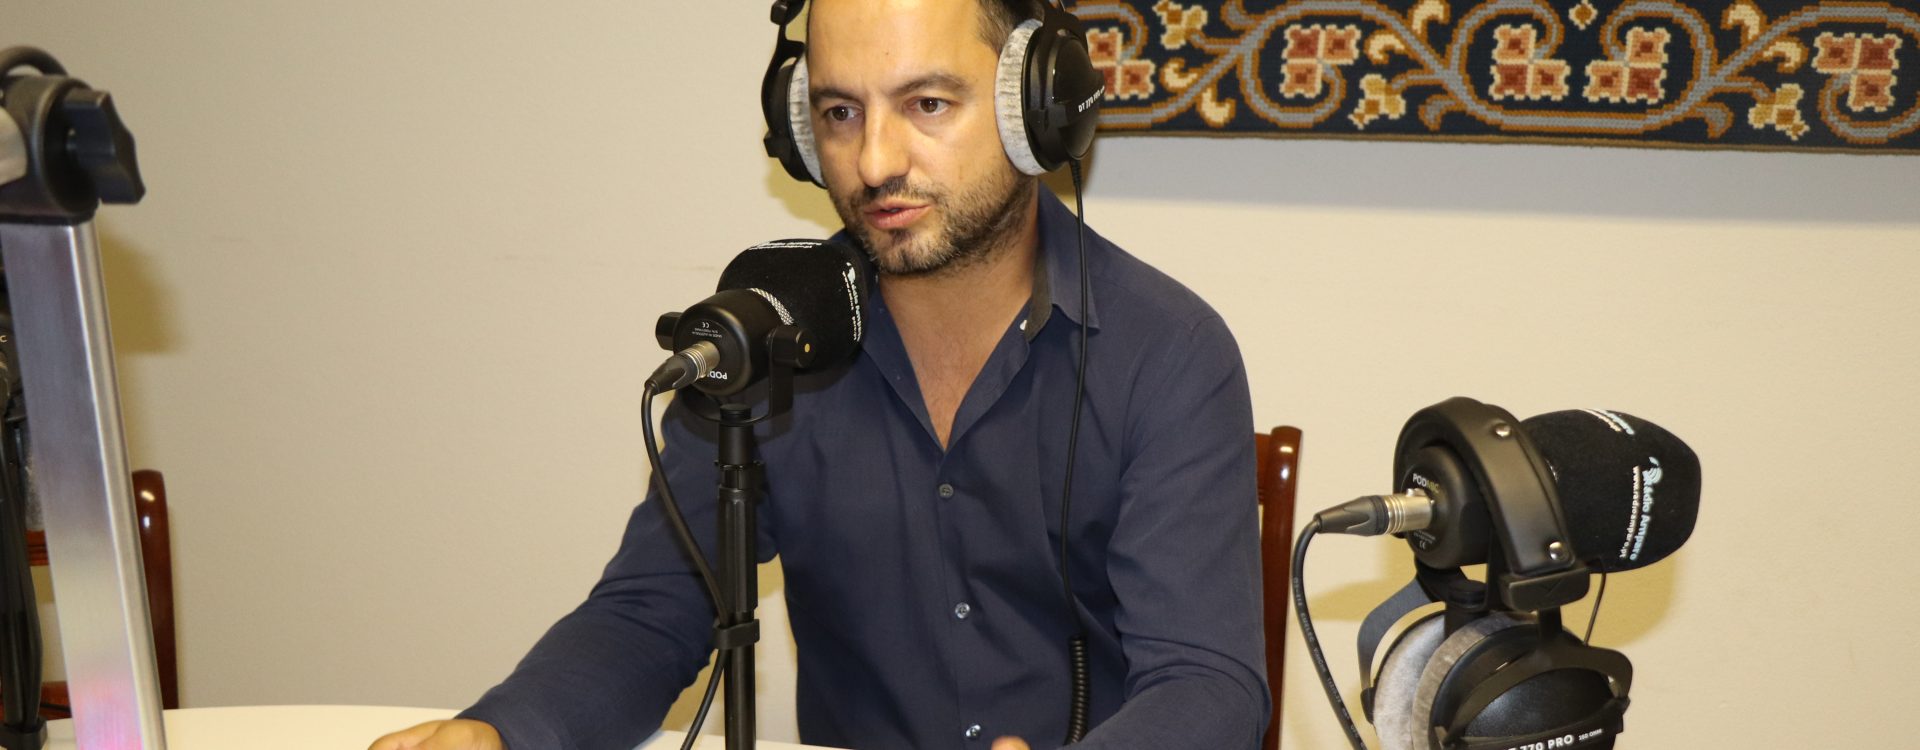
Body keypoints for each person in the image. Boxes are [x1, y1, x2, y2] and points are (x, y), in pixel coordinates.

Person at [371, 1, 1266, 748]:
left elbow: (1207, 683)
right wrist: (502, 733)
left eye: (926, 103)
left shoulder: (1168, 354)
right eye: (840, 113)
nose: (875, 162)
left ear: (1036, 109)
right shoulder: (765, 339)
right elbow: (653, 610)